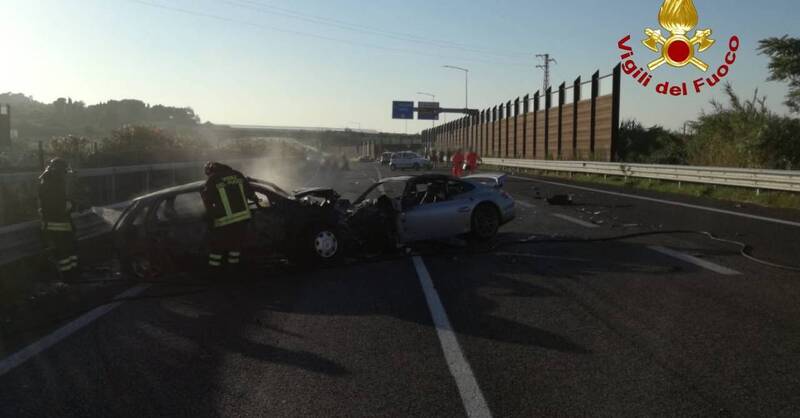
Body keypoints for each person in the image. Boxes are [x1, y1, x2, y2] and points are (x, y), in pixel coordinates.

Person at [200, 162, 258, 274]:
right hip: (242, 219)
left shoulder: (213, 179)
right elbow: (250, 193)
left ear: (211, 170)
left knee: (217, 248)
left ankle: (214, 271)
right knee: (235, 246)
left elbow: (207, 199)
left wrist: (210, 217)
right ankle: (233, 270)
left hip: (224, 221)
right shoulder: (237, 174)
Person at [38, 158, 79, 280]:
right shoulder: (51, 183)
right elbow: (58, 205)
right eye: (64, 172)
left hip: (60, 222)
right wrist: (73, 206)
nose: (65, 174)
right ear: (59, 171)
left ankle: (73, 272)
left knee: (70, 249)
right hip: (56, 224)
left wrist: (72, 204)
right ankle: (68, 276)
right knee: (63, 252)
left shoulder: (50, 181)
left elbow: (62, 201)